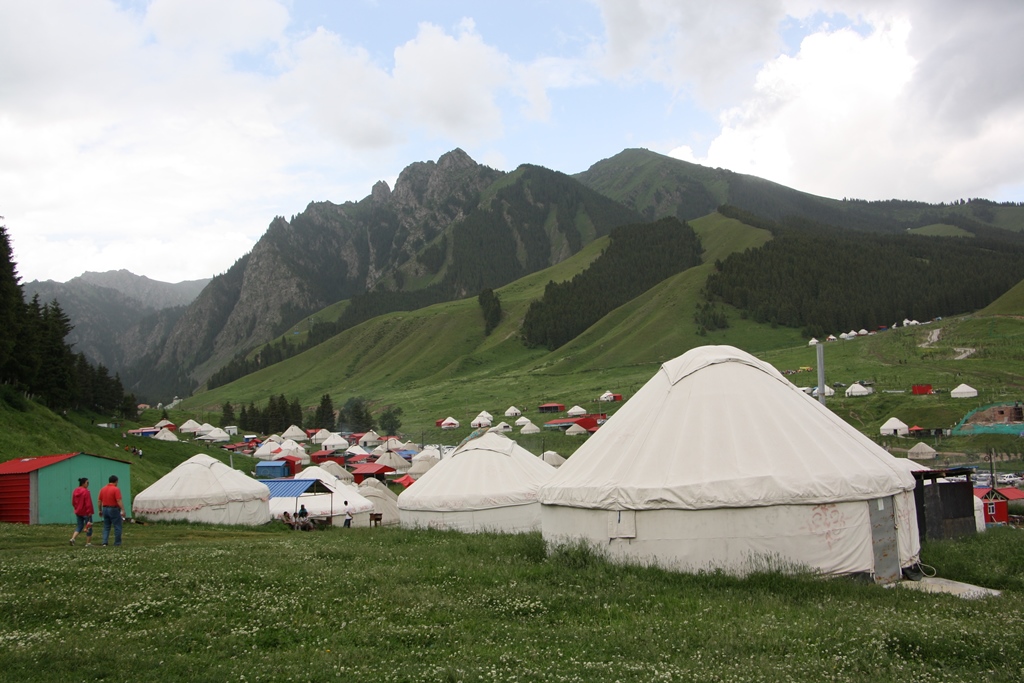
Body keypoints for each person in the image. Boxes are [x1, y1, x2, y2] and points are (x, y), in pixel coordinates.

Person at [98, 474, 125, 547]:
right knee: (117, 526)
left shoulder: (103, 489)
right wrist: (122, 509)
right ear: (116, 481)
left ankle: (104, 542)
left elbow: (99, 501)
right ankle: (117, 543)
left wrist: (100, 510)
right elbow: (118, 500)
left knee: (106, 526)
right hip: (113, 509)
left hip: (105, 508)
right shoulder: (116, 489)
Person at [70, 477, 94, 546]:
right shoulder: (86, 491)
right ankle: (88, 542)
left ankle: (73, 538)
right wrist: (89, 511)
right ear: (83, 483)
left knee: (79, 526)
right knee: (89, 526)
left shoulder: (75, 490)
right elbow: (88, 502)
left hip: (78, 511)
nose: (88, 484)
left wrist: (76, 508)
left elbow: (73, 502)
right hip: (86, 512)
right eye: (87, 483)